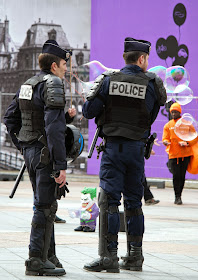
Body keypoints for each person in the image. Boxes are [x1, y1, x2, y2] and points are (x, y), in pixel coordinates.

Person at [82, 37, 166, 273]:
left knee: (109, 201)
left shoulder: (109, 80)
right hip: (137, 150)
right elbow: (151, 113)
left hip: (113, 150)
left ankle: (108, 257)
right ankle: (134, 257)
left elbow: (89, 112)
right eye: (147, 59)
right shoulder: (152, 83)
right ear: (141, 59)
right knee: (134, 203)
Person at [4, 39, 76, 276]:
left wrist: (24, 146)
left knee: (47, 204)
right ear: (54, 66)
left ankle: (48, 254)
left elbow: (11, 119)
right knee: (44, 206)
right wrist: (61, 165)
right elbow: (53, 128)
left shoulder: (29, 83)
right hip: (45, 155)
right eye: (64, 63)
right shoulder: (54, 83)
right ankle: (36, 260)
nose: (66, 68)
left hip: (33, 153)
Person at [162, 102, 197, 205]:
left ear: (179, 112)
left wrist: (186, 143)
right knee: (175, 176)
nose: (173, 114)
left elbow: (194, 137)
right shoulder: (168, 125)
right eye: (172, 112)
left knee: (182, 176)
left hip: (185, 155)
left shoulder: (186, 123)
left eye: (175, 112)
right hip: (173, 154)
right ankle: (176, 196)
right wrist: (165, 142)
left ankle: (179, 196)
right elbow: (165, 138)